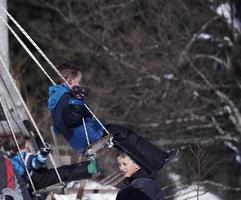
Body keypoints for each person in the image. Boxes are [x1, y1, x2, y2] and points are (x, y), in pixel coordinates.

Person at [3, 134, 99, 190]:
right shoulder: (24, 156)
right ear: (26, 144)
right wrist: (43, 154)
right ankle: (88, 168)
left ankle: (86, 169)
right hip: (38, 180)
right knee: (63, 172)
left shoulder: (14, 159)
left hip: (34, 181)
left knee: (62, 172)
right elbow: (35, 163)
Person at [48, 62, 106, 153]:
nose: (79, 85)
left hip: (76, 141)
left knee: (108, 127)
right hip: (86, 137)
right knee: (121, 134)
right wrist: (77, 100)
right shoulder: (66, 97)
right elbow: (72, 118)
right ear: (71, 81)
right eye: (78, 82)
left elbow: (58, 127)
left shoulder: (56, 97)